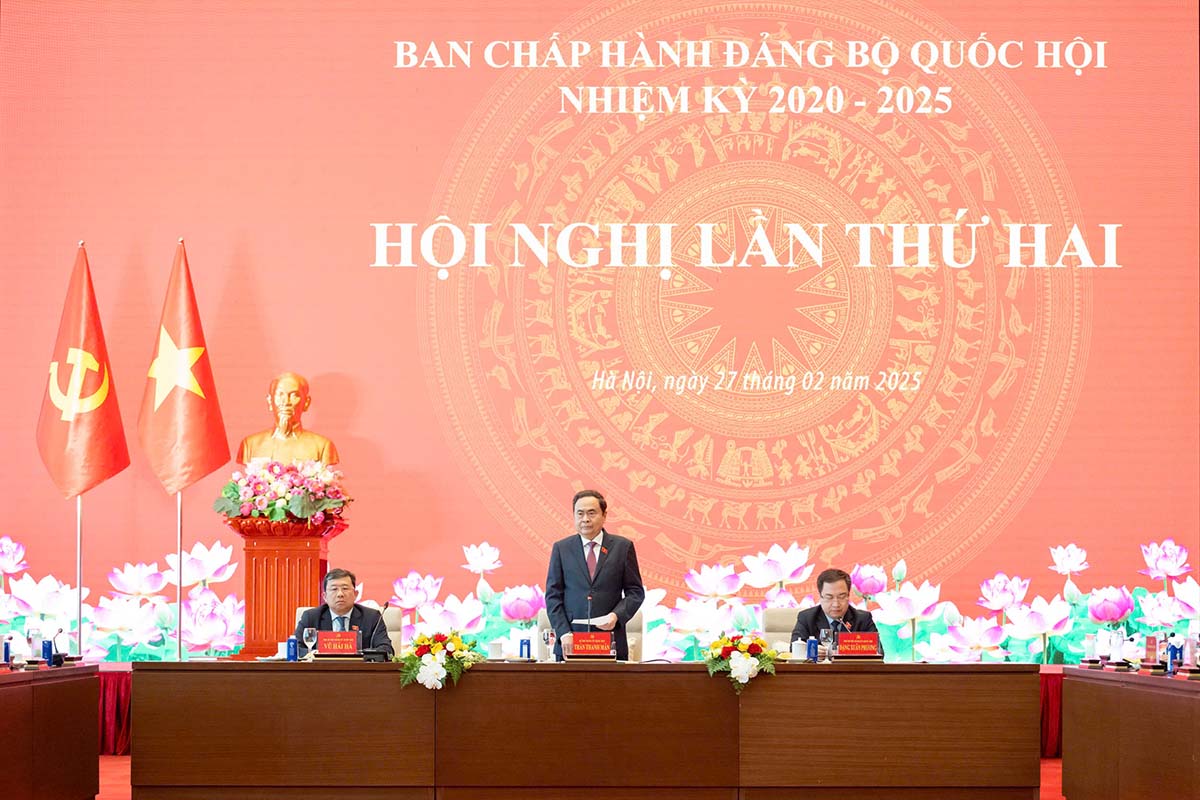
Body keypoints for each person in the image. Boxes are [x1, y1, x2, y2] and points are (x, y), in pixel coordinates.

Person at [545, 489, 645, 661]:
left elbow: (635, 592)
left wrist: (616, 616)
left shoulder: (622, 547)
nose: (585, 519)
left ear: (604, 515)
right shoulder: (562, 548)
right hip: (571, 642)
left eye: (591, 513)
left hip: (611, 641)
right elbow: (553, 596)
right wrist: (564, 633)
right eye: (580, 513)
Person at [237, 372, 339, 465]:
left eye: (294, 396)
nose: (286, 402)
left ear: (306, 402)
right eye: (280, 394)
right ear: (270, 401)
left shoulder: (322, 446)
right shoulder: (250, 444)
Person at [294, 568, 393, 656]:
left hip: (359, 670)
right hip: (321, 670)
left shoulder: (372, 617)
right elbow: (295, 648)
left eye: (345, 588)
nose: (340, 594)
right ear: (325, 596)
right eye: (334, 589)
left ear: (355, 594)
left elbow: (387, 649)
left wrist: (359, 654)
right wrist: (317, 654)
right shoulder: (311, 617)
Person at [790, 567, 881, 657]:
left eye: (841, 597)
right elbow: (793, 650)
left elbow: (879, 652)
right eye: (829, 597)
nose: (836, 604)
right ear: (820, 597)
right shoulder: (807, 618)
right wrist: (810, 651)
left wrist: (843, 650)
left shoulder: (863, 619)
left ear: (848, 596)